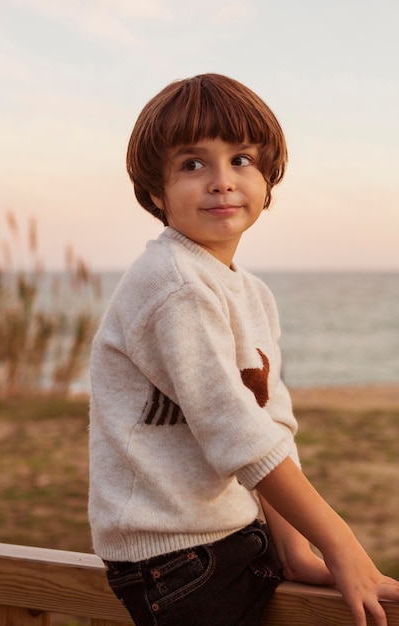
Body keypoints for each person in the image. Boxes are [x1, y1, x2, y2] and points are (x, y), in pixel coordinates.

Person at [88, 73, 399, 626]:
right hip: (173, 556)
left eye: (242, 160)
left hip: (233, 536)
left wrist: (297, 548)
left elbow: (268, 425)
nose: (221, 181)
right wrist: (341, 544)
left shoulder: (248, 291)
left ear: (267, 178)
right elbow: (236, 432)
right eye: (192, 164)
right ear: (155, 192)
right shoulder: (171, 283)